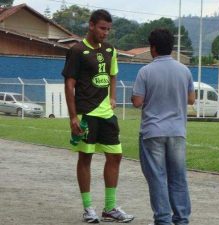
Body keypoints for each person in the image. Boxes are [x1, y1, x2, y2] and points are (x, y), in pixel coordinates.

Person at [62, 9, 134, 224]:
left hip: (106, 112)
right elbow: (69, 84)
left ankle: (110, 208)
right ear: (91, 25)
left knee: (116, 155)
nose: (106, 33)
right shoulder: (77, 50)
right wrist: (73, 117)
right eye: (103, 28)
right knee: (85, 157)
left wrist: (113, 97)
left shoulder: (110, 49)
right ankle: (88, 208)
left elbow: (113, 74)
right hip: (86, 113)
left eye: (109, 29)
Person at [131, 28, 195, 225]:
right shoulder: (184, 70)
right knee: (178, 177)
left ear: (153, 48)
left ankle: (163, 219)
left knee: (157, 178)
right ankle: (182, 219)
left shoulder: (145, 71)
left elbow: (137, 101)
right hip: (177, 132)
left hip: (152, 132)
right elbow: (191, 99)